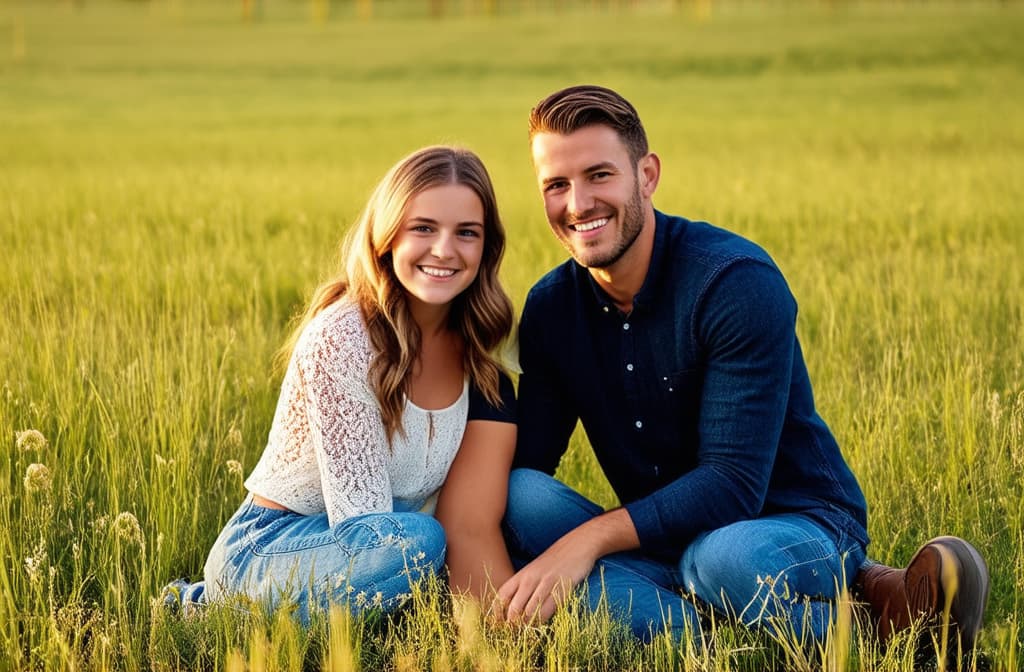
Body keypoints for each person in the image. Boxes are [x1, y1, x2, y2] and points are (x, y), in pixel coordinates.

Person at [496, 85, 989, 654]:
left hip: (795, 523)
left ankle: (881, 627)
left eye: (599, 175)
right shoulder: (554, 308)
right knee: (519, 496)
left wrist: (583, 545)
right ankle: (709, 621)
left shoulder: (733, 282)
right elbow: (530, 463)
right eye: (556, 185)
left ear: (647, 175)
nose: (577, 203)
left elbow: (731, 486)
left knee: (722, 560)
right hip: (666, 540)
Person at [167, 146, 517, 622]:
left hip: (386, 552)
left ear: (486, 248)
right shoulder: (343, 338)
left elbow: (467, 518)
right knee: (421, 543)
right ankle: (206, 610)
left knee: (475, 526)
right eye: (423, 228)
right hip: (269, 547)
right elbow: (365, 530)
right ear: (387, 236)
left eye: (466, 233)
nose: (444, 250)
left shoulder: (476, 357)